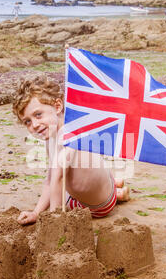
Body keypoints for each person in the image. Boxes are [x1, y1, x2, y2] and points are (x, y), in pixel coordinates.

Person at [12, 74, 130, 225]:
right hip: (96, 183)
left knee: (65, 197)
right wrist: (36, 213)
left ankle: (118, 192)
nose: (34, 124)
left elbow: (58, 178)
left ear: (57, 106)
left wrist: (55, 221)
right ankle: (116, 185)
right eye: (27, 121)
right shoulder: (52, 134)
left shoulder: (69, 135)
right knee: (66, 185)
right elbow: (50, 179)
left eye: (38, 115)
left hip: (98, 206)